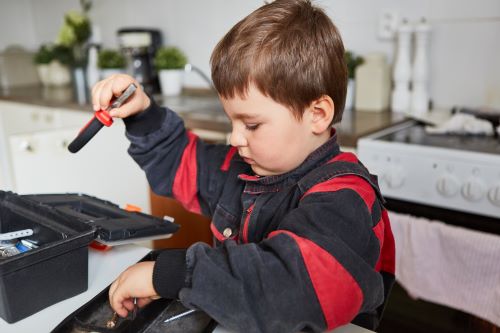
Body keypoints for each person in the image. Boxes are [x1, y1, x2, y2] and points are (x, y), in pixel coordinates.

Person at [94, 1, 395, 332]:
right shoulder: (239, 166)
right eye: (232, 120)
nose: (235, 137)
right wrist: (142, 113)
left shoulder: (346, 198)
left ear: (318, 114)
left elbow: (288, 287)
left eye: (251, 124)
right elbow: (178, 161)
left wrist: (173, 273)